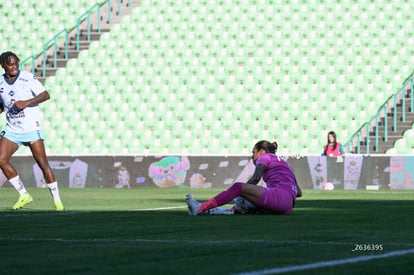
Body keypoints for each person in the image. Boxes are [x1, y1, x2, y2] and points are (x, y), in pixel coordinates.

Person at [0, 51, 64, 211]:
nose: (14, 67)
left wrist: (26, 102)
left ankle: (57, 202)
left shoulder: (27, 77)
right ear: (3, 66)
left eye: (16, 63)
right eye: (10, 64)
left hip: (31, 127)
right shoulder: (0, 82)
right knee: (1, 159)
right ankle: (24, 194)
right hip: (12, 129)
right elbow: (2, 105)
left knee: (43, 164)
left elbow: (45, 95)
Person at [186, 140, 302, 215]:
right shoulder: (287, 165)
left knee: (238, 187)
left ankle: (201, 207)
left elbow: (256, 178)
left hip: (278, 198)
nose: (252, 156)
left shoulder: (264, 157)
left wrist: (242, 193)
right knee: (248, 206)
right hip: (287, 208)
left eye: (254, 152)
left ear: (261, 151)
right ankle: (214, 211)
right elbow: (299, 193)